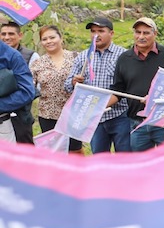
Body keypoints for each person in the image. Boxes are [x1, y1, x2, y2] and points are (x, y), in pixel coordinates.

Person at [107, 17, 164, 151]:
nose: (141, 36)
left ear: (155, 34)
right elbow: (118, 90)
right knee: (141, 165)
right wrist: (96, 107)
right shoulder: (124, 59)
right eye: (138, 32)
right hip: (137, 123)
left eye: (146, 33)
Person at [65, 17, 131, 153]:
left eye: (101, 31)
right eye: (93, 31)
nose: (96, 35)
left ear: (111, 33)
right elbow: (67, 85)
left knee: (125, 157)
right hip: (94, 117)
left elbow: (130, 83)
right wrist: (74, 82)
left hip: (120, 115)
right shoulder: (83, 57)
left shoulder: (123, 55)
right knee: (99, 158)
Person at [28, 25, 82, 154]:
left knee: (75, 150)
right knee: (53, 151)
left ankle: (79, 174)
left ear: (60, 38)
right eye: (45, 39)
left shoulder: (76, 57)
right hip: (48, 113)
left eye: (52, 37)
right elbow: (30, 88)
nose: (49, 41)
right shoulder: (38, 64)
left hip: (72, 113)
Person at [1, 19, 38, 144]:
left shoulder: (12, 56)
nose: (7, 37)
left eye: (11, 34)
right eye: (4, 33)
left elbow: (27, 92)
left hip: (7, 122)